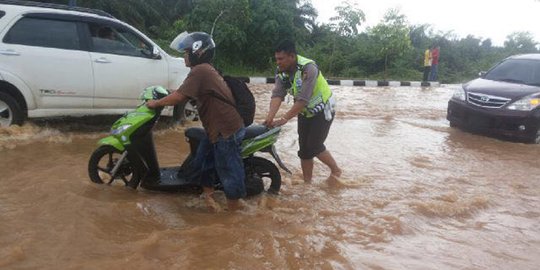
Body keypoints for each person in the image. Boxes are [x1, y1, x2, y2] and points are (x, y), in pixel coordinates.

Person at [147, 32, 246, 211]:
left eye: (186, 52)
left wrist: (156, 103)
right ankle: (208, 197)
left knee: (229, 171)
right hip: (215, 130)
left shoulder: (201, 70)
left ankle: (234, 212)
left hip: (226, 130)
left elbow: (179, 96)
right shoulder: (203, 70)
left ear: (198, 51)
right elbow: (182, 92)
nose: (184, 55)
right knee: (204, 160)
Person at [263, 40, 342, 184]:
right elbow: (277, 95)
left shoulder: (308, 68)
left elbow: (303, 99)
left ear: (292, 56)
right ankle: (307, 183)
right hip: (305, 111)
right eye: (276, 59)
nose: (278, 63)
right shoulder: (281, 72)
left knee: (314, 146)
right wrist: (270, 118)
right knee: (304, 149)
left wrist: (285, 118)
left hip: (323, 109)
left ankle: (336, 170)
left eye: (281, 59)